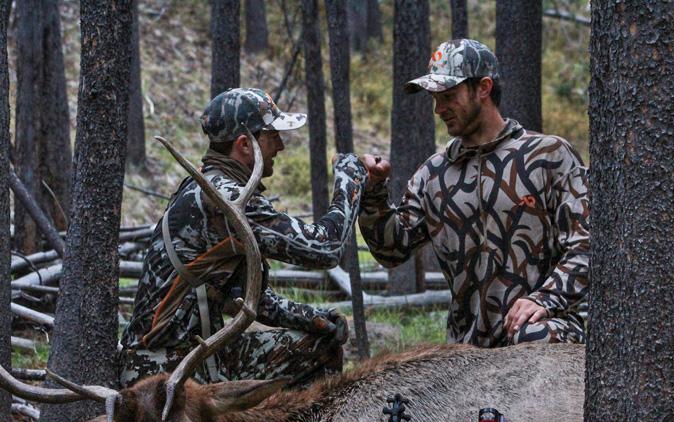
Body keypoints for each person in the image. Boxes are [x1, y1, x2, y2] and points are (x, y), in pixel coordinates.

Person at [119, 88, 370, 387]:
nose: (280, 146)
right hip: (166, 371)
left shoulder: (207, 187)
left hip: (169, 360)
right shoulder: (225, 198)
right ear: (244, 145)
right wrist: (350, 179)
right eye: (272, 136)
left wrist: (311, 317)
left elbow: (248, 300)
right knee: (320, 350)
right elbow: (326, 248)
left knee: (316, 339)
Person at [359, 39, 590, 347]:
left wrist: (546, 299)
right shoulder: (433, 174)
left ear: (484, 87)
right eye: (434, 98)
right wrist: (373, 191)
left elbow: (588, 243)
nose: (439, 109)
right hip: (465, 351)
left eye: (449, 96)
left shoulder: (549, 156)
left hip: (544, 332)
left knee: (529, 334)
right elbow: (392, 249)